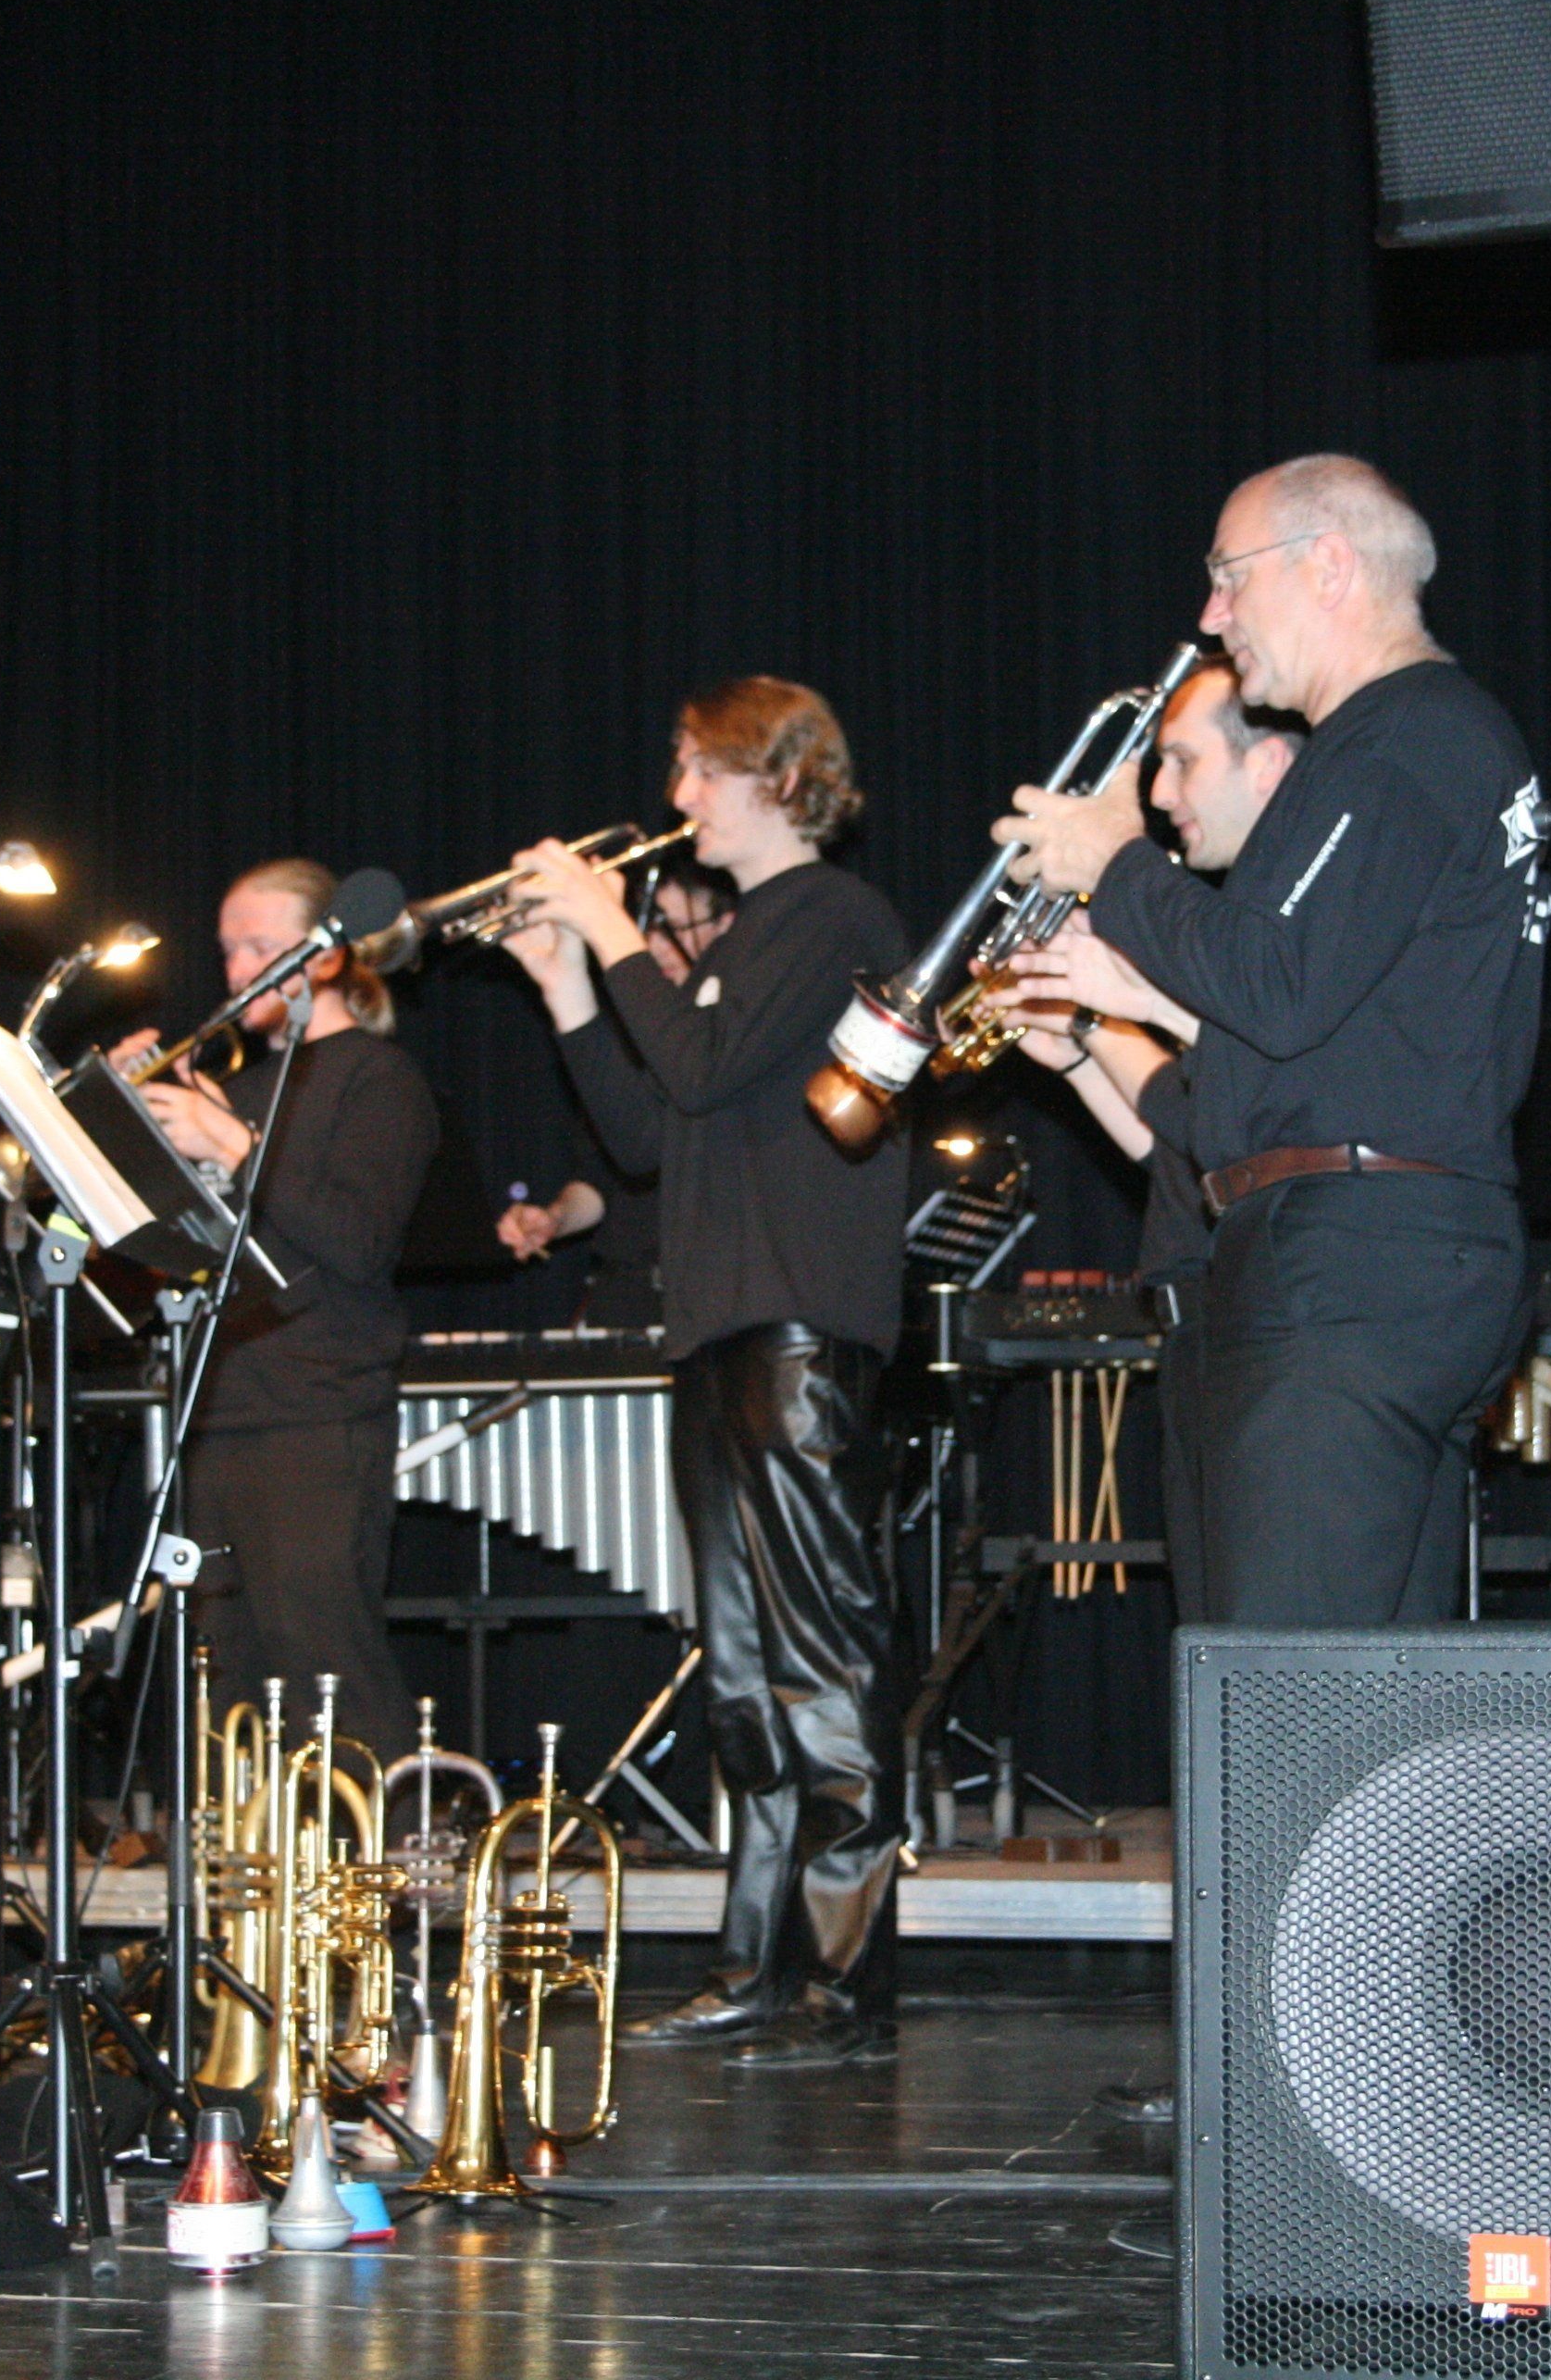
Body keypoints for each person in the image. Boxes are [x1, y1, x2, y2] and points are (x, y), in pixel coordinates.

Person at [995, 455, 1547, 1626]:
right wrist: (1107, 1020)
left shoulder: (1401, 739)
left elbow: (1274, 983)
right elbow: (1281, 1051)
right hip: (1381, 1250)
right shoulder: (1410, 742)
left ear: (1328, 565)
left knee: (1290, 1687)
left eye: (1228, 576)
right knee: (1359, 1690)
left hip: (1354, 1263)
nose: (1212, 615)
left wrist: (1115, 862)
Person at [502, 677, 910, 2065]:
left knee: (824, 1666)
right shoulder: (745, 937)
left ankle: (843, 1985)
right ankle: (756, 1967)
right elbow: (644, 1135)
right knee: (743, 1676)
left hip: (798, 1328)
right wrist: (568, 982)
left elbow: (701, 1064)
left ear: (779, 780)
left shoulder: (831, 918)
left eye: (697, 771)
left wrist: (615, 931)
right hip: (722, 1330)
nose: (676, 800)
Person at [994, 658, 1301, 1621]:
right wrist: (1078, 1052)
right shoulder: (1227, 917)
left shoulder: (1258, 931)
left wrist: (1104, 1018)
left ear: (1268, 767)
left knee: (1260, 1634)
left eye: (1182, 762)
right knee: (1212, 1631)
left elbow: (1238, 1101)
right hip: (1191, 1319)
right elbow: (1178, 1145)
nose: (1162, 797)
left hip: (1253, 1316)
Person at [115, 857, 440, 1763]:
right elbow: (184, 1243)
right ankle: (250, 1859)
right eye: (228, 951)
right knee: (229, 1690)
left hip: (318, 1409)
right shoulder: (245, 1091)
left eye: (260, 948)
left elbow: (357, 1241)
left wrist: (232, 1142)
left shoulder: (379, 1079)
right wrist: (127, 1125)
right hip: (222, 1406)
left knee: (330, 1680)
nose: (236, 971)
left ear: (326, 957)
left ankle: (377, 1856)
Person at [497, 865, 735, 1327]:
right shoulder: (624, 1035)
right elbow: (603, 1178)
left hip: (707, 1299)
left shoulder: (729, 1034)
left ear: (725, 928)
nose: (655, 946)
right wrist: (555, 1217)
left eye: (673, 927)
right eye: (645, 928)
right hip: (626, 1293)